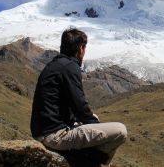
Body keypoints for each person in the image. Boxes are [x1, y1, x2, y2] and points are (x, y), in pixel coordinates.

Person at [31, 28, 127, 166]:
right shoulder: (70, 67)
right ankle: (90, 163)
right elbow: (80, 106)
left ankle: (85, 158)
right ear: (80, 49)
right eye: (84, 48)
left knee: (95, 120)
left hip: (44, 131)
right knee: (120, 131)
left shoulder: (56, 65)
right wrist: (96, 129)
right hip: (55, 136)